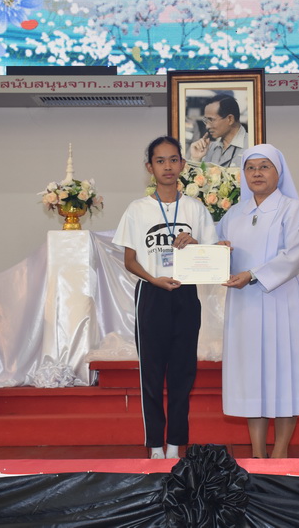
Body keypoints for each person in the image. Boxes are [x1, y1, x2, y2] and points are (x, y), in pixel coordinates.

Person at [113, 136, 219, 460]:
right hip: (152, 294)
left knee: (182, 374)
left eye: (173, 160)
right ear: (150, 167)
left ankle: (175, 444)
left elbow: (211, 254)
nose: (168, 166)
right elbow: (130, 260)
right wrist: (153, 279)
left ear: (183, 165)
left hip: (186, 295)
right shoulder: (137, 210)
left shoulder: (195, 208)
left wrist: (196, 245)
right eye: (160, 161)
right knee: (152, 373)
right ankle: (155, 446)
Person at [217, 144, 299, 458]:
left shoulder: (291, 209)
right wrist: (219, 253)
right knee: (253, 375)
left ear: (279, 172)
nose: (257, 173)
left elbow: (293, 255)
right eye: (251, 168)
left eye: (265, 167)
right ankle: (257, 454)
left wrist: (253, 274)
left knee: (284, 373)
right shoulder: (234, 214)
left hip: (282, 299)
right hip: (245, 304)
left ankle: (279, 452)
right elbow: (221, 254)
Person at [188, 94, 249, 167]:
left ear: (230, 119)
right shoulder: (208, 149)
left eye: (211, 120)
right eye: (206, 121)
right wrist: (196, 159)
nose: (207, 126)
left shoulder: (251, 145)